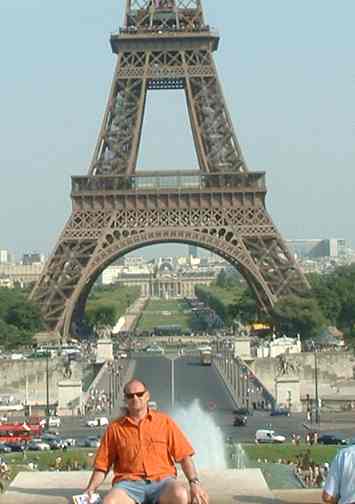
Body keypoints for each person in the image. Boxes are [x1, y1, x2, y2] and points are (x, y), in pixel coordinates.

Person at [84, 378, 209, 504]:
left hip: (162, 483)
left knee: (181, 495)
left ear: (147, 396)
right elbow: (102, 465)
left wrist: (194, 483)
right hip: (128, 485)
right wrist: (91, 488)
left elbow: (184, 456)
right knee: (110, 502)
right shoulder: (115, 428)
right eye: (130, 396)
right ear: (125, 399)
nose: (135, 398)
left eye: (139, 394)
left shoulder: (164, 422)